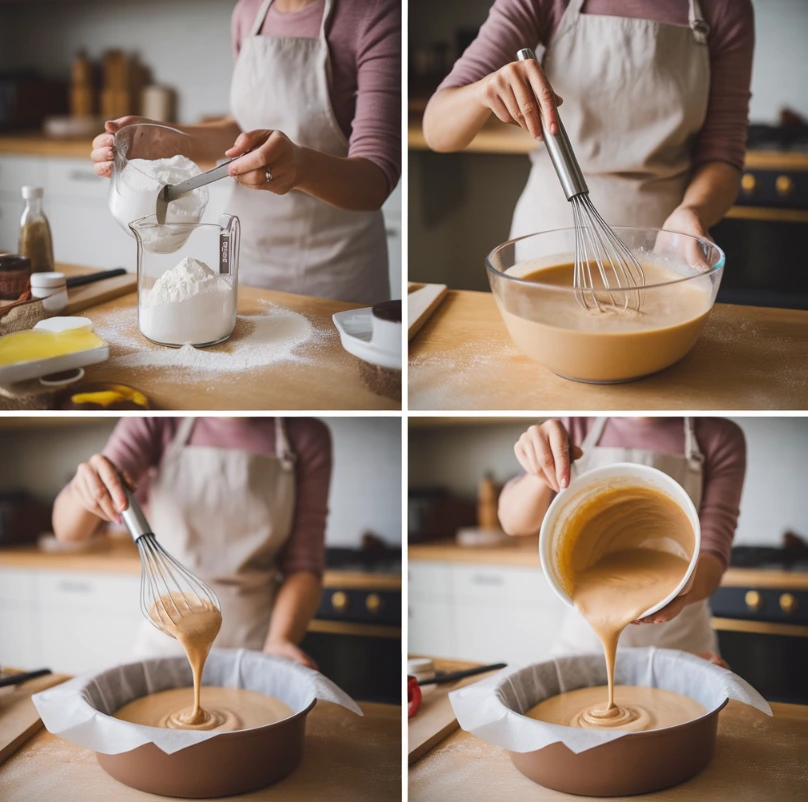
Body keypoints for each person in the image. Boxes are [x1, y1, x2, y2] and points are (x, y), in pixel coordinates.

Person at [91, 0, 400, 305]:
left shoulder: (374, 12)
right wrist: (159, 138)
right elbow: (243, 134)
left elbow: (375, 179)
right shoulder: (248, 11)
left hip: (335, 273)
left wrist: (300, 167)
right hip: (249, 258)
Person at [423, 0, 754, 243]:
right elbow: (437, 130)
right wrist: (482, 92)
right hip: (548, 239)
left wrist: (693, 212)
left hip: (664, 245)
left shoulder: (724, 8)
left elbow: (721, 156)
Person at [52, 417, 331, 668]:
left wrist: (280, 642)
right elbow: (68, 531)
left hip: (258, 650)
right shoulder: (157, 421)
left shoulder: (306, 435)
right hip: (164, 645)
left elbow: (303, 567)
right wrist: (84, 490)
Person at [498, 417, 746, 664]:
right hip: (585, 647)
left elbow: (712, 558)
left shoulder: (718, 437)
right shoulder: (573, 426)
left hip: (680, 648)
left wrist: (670, 592)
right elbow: (512, 521)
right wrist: (539, 472)